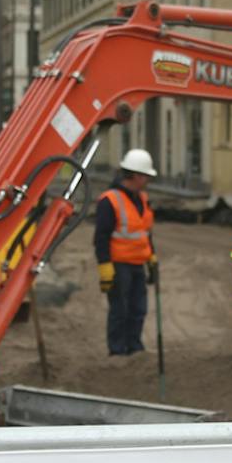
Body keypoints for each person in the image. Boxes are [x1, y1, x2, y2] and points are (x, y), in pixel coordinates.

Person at [94, 148, 159, 356]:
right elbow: (101, 237)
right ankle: (117, 350)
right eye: (146, 176)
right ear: (136, 175)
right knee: (119, 309)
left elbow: (145, 232)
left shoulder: (143, 198)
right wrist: (105, 266)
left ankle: (134, 347)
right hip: (118, 264)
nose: (147, 180)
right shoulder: (109, 200)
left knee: (138, 309)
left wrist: (152, 258)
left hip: (137, 264)